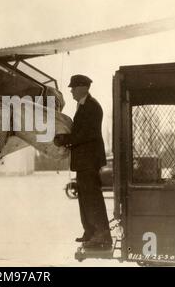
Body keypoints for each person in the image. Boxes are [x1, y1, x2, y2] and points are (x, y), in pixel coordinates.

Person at [53, 74, 112, 249]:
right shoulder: (84, 105)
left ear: (83, 88)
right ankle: (91, 232)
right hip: (84, 161)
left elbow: (87, 134)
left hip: (89, 161)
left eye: (73, 87)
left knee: (92, 197)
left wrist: (65, 139)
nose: (71, 90)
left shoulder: (92, 107)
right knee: (85, 197)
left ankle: (101, 235)